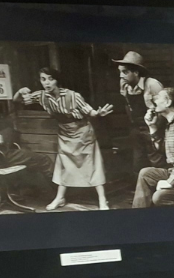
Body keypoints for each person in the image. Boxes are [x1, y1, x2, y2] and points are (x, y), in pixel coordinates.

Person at [13, 67, 114, 210]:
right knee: (64, 166)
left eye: (50, 79)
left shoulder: (73, 96)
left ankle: (102, 200)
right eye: (43, 79)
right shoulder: (41, 96)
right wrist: (20, 91)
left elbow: (89, 111)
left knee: (92, 165)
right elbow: (17, 100)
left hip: (83, 133)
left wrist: (98, 113)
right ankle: (60, 198)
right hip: (65, 134)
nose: (47, 83)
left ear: (57, 80)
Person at [113, 51, 164, 177]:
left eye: (125, 72)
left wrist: (156, 129)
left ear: (136, 72)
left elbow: (165, 108)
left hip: (153, 128)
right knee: (138, 162)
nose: (121, 76)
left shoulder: (152, 84)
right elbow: (128, 105)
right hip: (136, 128)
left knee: (156, 160)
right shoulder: (124, 85)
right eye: (120, 72)